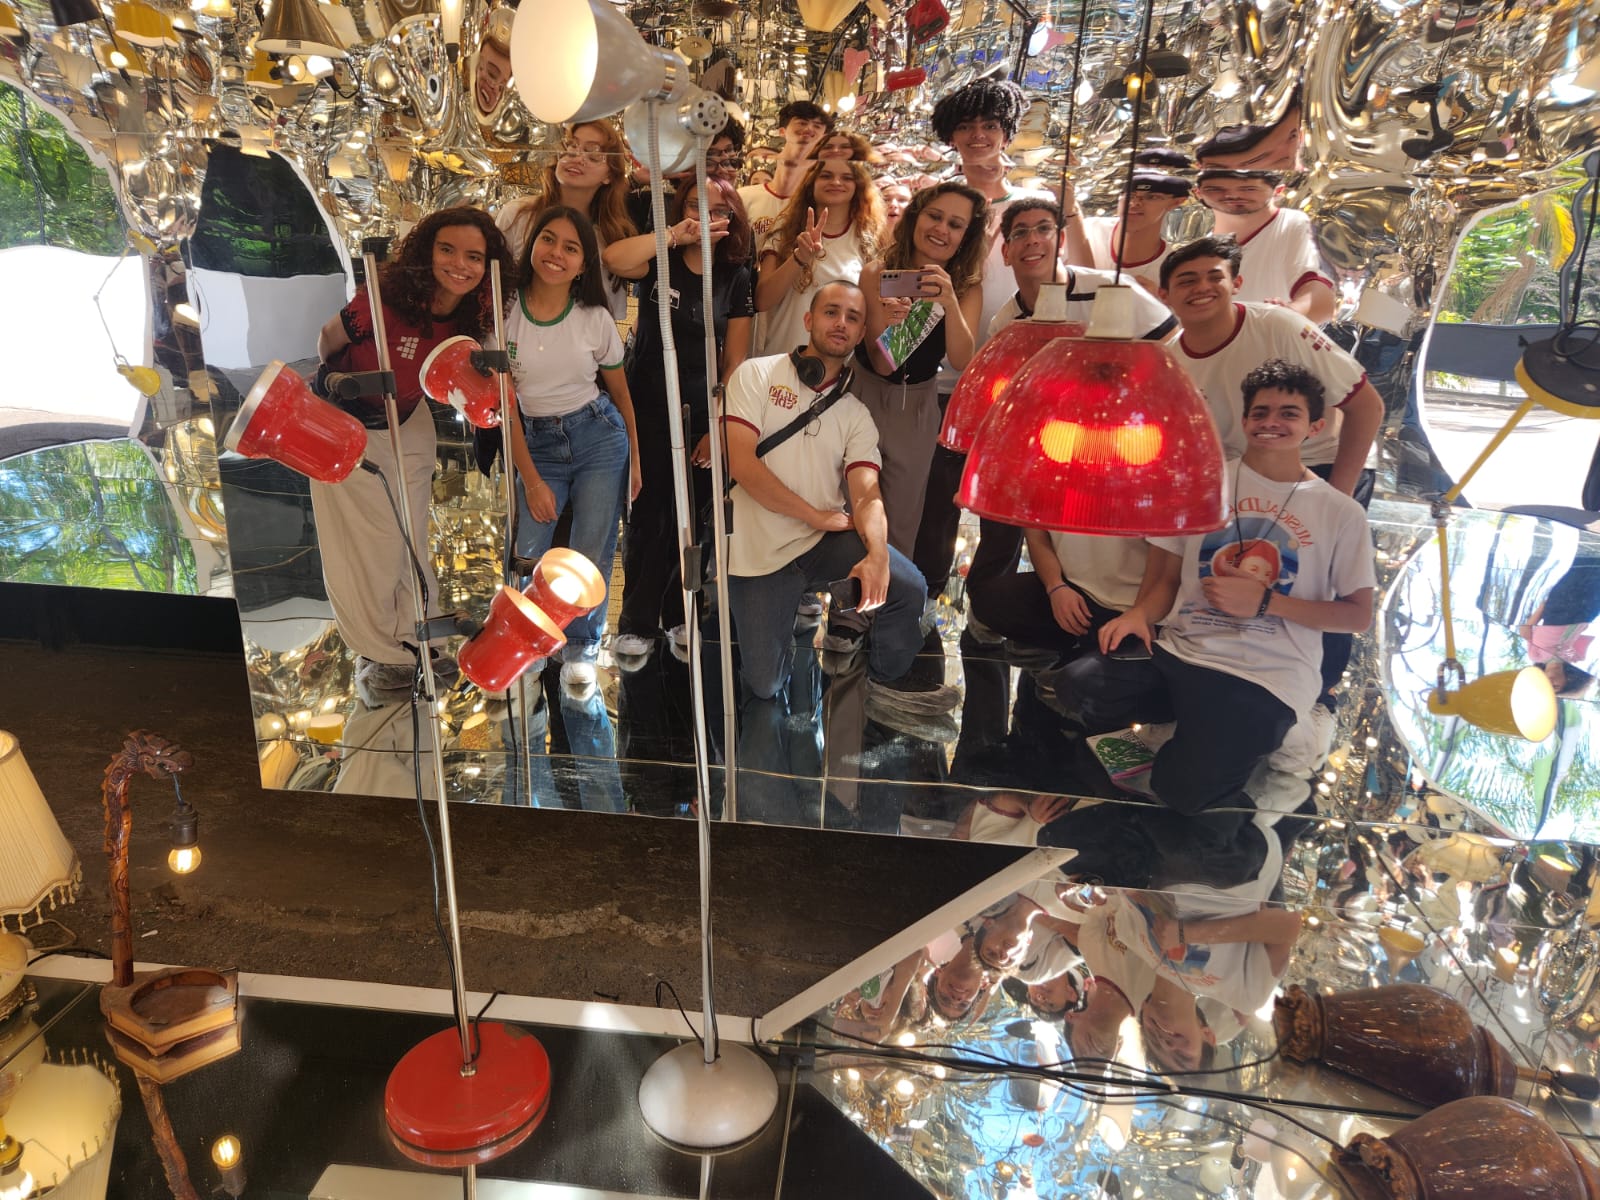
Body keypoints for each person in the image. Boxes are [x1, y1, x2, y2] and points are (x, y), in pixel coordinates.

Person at [1091, 358, 1377, 837]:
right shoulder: (1201, 484)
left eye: (1288, 413)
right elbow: (1165, 580)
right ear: (1244, 421)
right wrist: (1139, 614)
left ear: (1314, 427)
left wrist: (1266, 603)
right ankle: (1192, 734)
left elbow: (1358, 616)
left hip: (1267, 674)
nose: (1271, 422)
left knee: (1185, 797)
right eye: (1260, 412)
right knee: (1082, 688)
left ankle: (1291, 739)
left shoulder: (1340, 512)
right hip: (1184, 649)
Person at [721, 281, 958, 713]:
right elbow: (742, 465)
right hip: (759, 553)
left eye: (853, 318)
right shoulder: (756, 375)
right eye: (831, 312)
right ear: (808, 319)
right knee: (766, 685)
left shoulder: (855, 414)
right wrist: (813, 515)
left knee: (908, 585)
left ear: (862, 333)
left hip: (820, 544)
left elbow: (866, 493)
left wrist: (878, 554)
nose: (841, 324)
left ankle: (885, 683)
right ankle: (789, 617)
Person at [310, 207, 515, 697]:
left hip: (409, 420)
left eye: (473, 256)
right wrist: (342, 385)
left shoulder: (474, 314)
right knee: (371, 546)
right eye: (447, 250)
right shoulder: (383, 299)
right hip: (349, 425)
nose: (460, 264)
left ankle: (419, 637)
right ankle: (381, 653)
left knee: (410, 538)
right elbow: (327, 343)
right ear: (427, 251)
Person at [966, 199, 1176, 662]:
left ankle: (1134, 625)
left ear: (1060, 239)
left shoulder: (1111, 291)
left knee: (1126, 545)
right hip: (1056, 448)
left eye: (1043, 229)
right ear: (1006, 251)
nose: (1033, 240)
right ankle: (1066, 627)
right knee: (1032, 531)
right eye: (1020, 233)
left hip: (1125, 446)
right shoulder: (1007, 322)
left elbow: (1172, 350)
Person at [604, 178, 755, 657]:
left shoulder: (736, 276)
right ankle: (635, 621)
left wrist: (717, 425)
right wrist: (673, 235)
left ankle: (679, 614)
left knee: (689, 518)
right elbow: (613, 259)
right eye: (696, 205)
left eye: (720, 210)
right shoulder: (660, 259)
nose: (707, 216)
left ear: (733, 219)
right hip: (646, 402)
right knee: (647, 515)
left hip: (699, 410)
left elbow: (734, 362)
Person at [503, 206, 642, 696]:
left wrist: (636, 459)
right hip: (535, 442)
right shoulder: (504, 312)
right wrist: (531, 481)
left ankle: (581, 647)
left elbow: (621, 395)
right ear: (531, 245)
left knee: (591, 549)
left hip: (597, 436)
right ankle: (524, 644)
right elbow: (505, 407)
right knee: (527, 550)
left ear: (584, 264)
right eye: (548, 240)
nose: (555, 254)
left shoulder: (594, 319)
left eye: (570, 247)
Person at [1161, 235, 1381, 499]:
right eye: (1187, 281)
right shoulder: (1169, 362)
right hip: (1245, 474)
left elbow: (1368, 407)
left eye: (1215, 277)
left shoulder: (1280, 326)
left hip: (1321, 464)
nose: (1202, 288)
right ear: (1164, 295)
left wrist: (1338, 500)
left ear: (1236, 284)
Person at [853, 181, 986, 557]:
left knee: (900, 520)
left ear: (966, 236)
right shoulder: (878, 272)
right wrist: (899, 320)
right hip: (861, 395)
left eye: (955, 225)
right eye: (934, 216)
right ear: (916, 216)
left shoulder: (965, 287)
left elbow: (962, 360)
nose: (941, 229)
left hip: (916, 407)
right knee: (850, 507)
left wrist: (948, 302)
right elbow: (882, 363)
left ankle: (889, 591)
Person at [497, 120, 638, 320]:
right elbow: (491, 287)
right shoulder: (516, 216)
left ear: (609, 175)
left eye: (593, 154)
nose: (577, 158)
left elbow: (607, 317)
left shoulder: (610, 237)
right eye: (571, 146)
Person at [753, 157, 885, 358]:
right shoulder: (784, 232)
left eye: (846, 177)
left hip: (838, 366)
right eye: (826, 176)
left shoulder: (868, 242)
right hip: (782, 360)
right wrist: (799, 258)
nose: (836, 182)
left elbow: (871, 317)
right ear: (811, 182)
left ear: (858, 186)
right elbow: (762, 301)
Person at [1191, 168, 1334, 324]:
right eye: (1216, 189)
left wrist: (1292, 313)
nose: (1232, 195)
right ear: (1198, 193)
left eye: (1248, 189)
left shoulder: (1291, 223)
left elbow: (1316, 287)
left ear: (1278, 191)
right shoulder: (1195, 248)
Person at [1078, 170, 1192, 293]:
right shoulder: (1087, 230)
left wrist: (1156, 300)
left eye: (1151, 197)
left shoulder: (1173, 268)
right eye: (1129, 195)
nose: (1134, 203)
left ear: (1175, 202)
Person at [737, 100, 833, 243]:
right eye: (802, 122)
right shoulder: (744, 197)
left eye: (817, 126)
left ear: (823, 138)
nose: (809, 128)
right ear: (782, 131)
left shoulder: (819, 203)